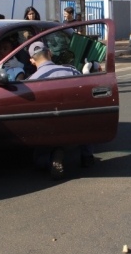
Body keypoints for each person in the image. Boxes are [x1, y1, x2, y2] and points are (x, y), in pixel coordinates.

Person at [26, 40, 95, 173]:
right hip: (74, 125)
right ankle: (87, 156)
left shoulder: (30, 82)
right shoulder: (70, 70)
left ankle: (52, 156)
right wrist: (86, 72)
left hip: (47, 129)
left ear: (32, 61)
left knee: (39, 161)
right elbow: (86, 91)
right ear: (50, 53)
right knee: (87, 117)